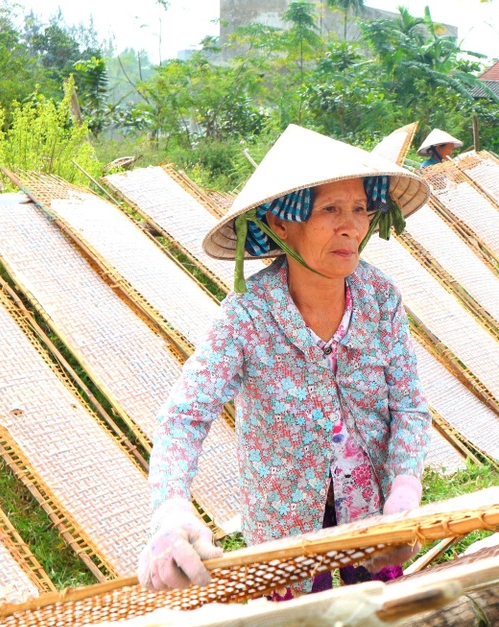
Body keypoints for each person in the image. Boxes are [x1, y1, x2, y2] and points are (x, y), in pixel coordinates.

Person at [137, 125, 433, 595]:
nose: (350, 227)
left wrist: (404, 486)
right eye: (330, 209)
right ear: (280, 223)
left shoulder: (380, 299)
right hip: (285, 521)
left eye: (359, 209)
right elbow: (186, 415)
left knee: (381, 613)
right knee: (298, 624)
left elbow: (409, 407)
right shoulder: (249, 313)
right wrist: (170, 507)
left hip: (372, 513)